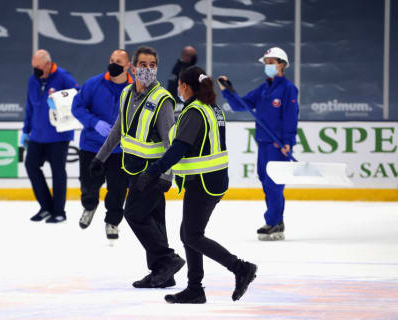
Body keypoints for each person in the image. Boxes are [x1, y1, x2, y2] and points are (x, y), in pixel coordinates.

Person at [136, 66, 257, 304]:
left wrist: (153, 171)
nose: (178, 88)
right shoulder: (212, 108)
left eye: (180, 84)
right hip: (212, 179)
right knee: (189, 234)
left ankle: (240, 268)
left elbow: (179, 149)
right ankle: (195, 288)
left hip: (202, 181)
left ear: (185, 86)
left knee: (191, 234)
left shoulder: (194, 112)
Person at [91, 46, 185, 288]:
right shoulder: (125, 94)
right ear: (133, 68)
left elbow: (170, 142)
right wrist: (100, 157)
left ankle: (167, 260)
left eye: (152, 64)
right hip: (134, 168)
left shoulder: (162, 99)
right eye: (142, 64)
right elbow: (118, 129)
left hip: (153, 172)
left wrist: (167, 175)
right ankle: (162, 274)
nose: (147, 69)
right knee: (154, 219)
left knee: (133, 213)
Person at [218, 47, 299, 241]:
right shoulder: (263, 89)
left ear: (281, 64)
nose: (268, 66)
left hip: (278, 145)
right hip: (263, 143)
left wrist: (288, 141)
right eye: (266, 63)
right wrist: (227, 91)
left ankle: (273, 221)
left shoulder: (288, 89)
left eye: (271, 63)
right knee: (266, 181)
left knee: (274, 184)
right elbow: (241, 105)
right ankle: (277, 221)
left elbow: (290, 117)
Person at [70, 49, 133, 240]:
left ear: (128, 65)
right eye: (112, 59)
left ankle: (112, 221)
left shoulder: (135, 89)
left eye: (119, 61)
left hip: (120, 149)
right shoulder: (93, 84)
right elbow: (77, 106)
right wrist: (94, 122)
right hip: (92, 146)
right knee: (88, 184)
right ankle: (89, 206)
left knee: (118, 188)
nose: (114, 64)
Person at [21, 49, 80, 223]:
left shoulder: (63, 77)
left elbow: (79, 94)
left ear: (48, 64)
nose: (36, 70)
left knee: (58, 172)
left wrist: (60, 100)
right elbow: (29, 106)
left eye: (38, 67)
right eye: (33, 67)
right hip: (37, 135)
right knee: (31, 165)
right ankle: (46, 207)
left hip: (58, 135)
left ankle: (59, 211)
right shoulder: (33, 80)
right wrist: (26, 130)